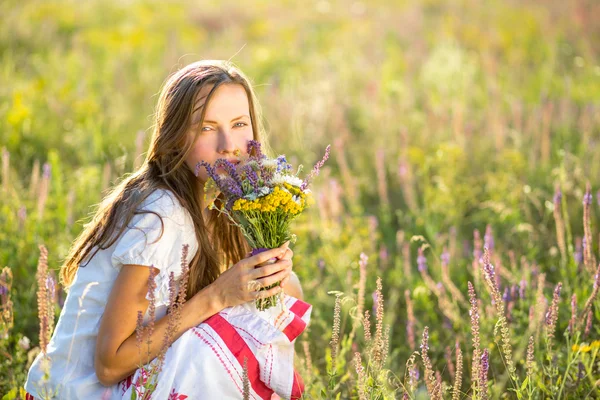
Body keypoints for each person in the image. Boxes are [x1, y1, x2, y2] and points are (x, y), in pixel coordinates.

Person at [25, 60, 304, 399]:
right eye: (205, 127)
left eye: (239, 124)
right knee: (210, 348)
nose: (228, 144)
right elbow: (109, 364)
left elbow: (283, 298)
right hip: (73, 392)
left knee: (272, 301)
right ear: (175, 138)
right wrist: (217, 295)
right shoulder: (162, 215)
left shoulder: (217, 199)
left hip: (122, 382)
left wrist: (270, 269)